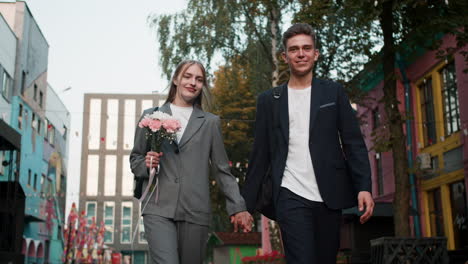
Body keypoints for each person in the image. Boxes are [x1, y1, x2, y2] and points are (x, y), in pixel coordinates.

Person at [241, 23, 374, 264]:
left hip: (329, 195)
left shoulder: (333, 93)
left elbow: (353, 142)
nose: (300, 54)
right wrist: (245, 205)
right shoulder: (269, 100)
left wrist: (363, 186)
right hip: (289, 193)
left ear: (315, 53)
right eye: (294, 49)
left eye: (306, 48)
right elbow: (260, 155)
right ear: (285, 56)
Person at [130, 60, 253, 264]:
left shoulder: (210, 122)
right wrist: (147, 163)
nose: (193, 82)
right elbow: (135, 160)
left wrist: (238, 206)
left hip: (196, 210)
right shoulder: (151, 116)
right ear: (176, 79)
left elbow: (222, 170)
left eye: (199, 79)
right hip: (158, 208)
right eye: (187, 76)